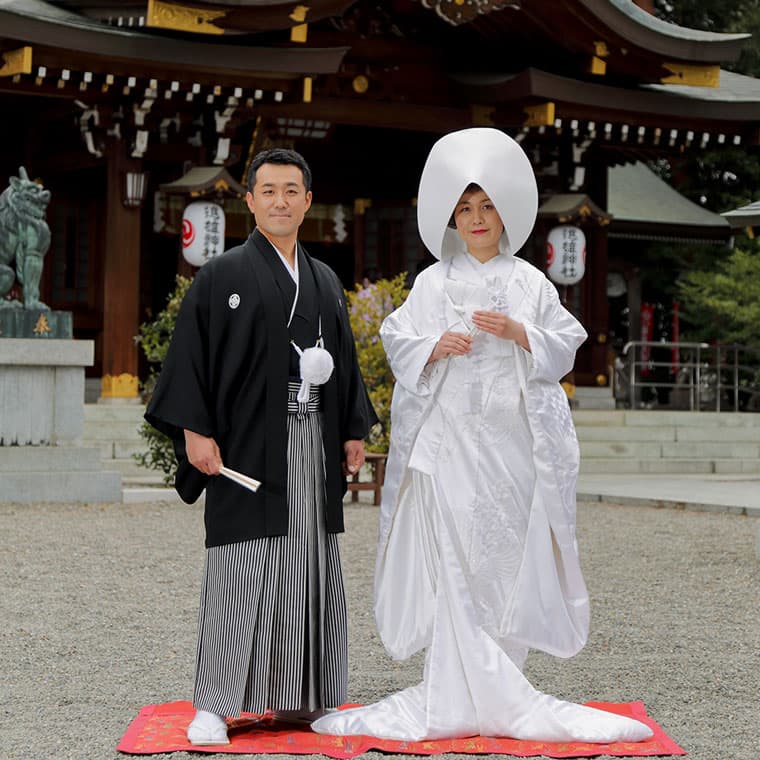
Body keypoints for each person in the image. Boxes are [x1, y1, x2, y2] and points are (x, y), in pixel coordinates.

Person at [312, 129, 653, 743]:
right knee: (453, 560)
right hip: (449, 449)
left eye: (486, 207)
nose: (475, 219)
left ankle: (501, 683)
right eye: (465, 209)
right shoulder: (433, 283)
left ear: (504, 214)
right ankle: (454, 689)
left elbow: (567, 341)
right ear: (452, 217)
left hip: (509, 447)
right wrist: (434, 345)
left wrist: (521, 333)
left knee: (503, 562)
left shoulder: (529, 283)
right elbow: (398, 338)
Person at [145, 148, 377, 746]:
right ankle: (214, 705)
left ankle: (313, 701)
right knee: (241, 571)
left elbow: (344, 363)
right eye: (268, 190)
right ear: (249, 200)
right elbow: (190, 358)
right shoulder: (221, 276)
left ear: (307, 201)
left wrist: (353, 428)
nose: (280, 201)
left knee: (311, 567)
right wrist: (195, 430)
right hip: (245, 449)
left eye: (291, 191)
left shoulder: (324, 280)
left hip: (312, 441)